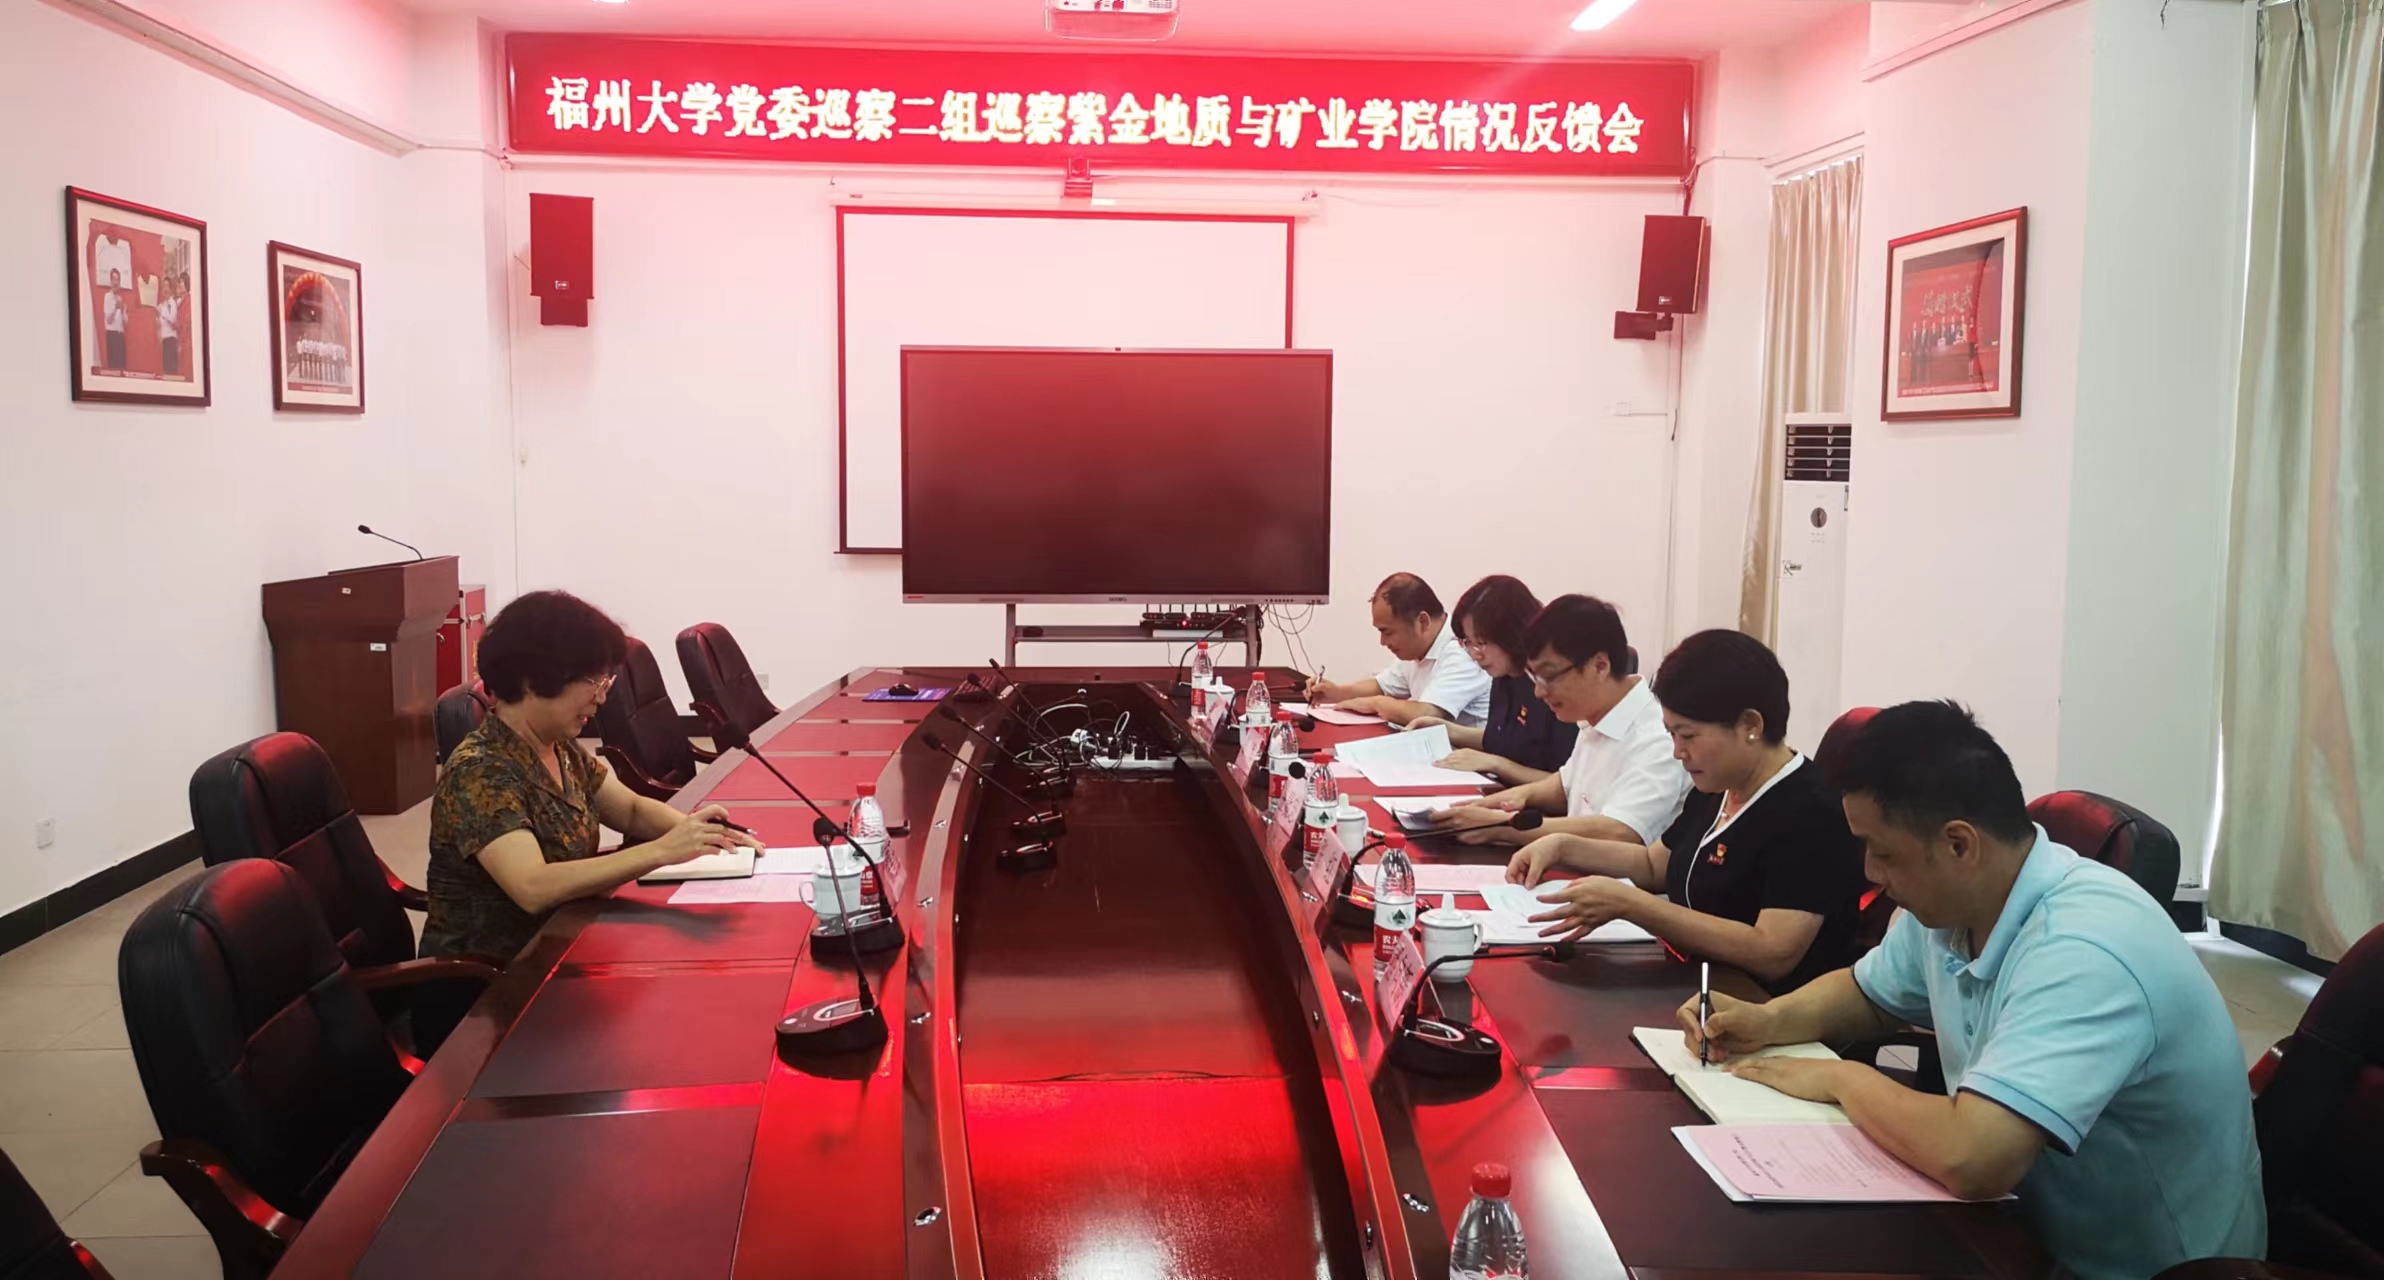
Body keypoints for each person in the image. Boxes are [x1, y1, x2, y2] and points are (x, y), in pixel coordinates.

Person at [1678, 702, 2264, 1280]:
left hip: (2137, 1269)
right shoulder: (1954, 902)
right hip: (2011, 1233)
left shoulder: (2084, 949)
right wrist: (1767, 1021)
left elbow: (1974, 1157)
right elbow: (1869, 994)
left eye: (1883, 852)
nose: (1871, 873)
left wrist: (1841, 1080)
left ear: (1959, 844)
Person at [1506, 629, 1866, 991]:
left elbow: (1771, 952)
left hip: (1759, 1006)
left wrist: (1632, 905)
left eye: (1688, 736)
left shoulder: (1810, 812)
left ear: (1750, 726)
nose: (1678, 752)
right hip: (1691, 980)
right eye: (1671, 735)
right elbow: (1653, 865)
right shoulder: (1720, 785)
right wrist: (1562, 846)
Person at [420, 590, 759, 967]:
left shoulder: (557, 746)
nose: (601, 698)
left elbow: (630, 809)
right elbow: (532, 886)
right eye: (593, 683)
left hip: (564, 939)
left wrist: (702, 834)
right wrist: (662, 851)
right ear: (533, 680)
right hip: (495, 977)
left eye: (605, 682)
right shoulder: (481, 769)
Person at [1429, 594, 1688, 848]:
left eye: (1549, 677)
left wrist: (1501, 826)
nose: (1539, 692)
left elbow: (1619, 831)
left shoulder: (1656, 739)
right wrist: (1501, 801)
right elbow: (1566, 785)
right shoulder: (1596, 716)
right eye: (1535, 677)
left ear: (1599, 666)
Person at [1407, 575, 1576, 785]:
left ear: (1512, 633)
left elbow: (1566, 785)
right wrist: (1445, 730)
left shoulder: (1554, 686)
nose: (1475, 654)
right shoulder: (1504, 675)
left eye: (1481, 642)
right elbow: (1502, 740)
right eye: (1468, 642)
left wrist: (1495, 764)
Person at [1305, 572, 1493, 727]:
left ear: (1422, 622)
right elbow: (1382, 687)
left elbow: (1428, 714)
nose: (1382, 641)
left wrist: (1375, 704)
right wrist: (1335, 692)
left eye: (1387, 632)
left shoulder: (1461, 651)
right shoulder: (1418, 647)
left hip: (1468, 758)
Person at [101, 287, 127, 370]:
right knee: (113, 365)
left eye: (118, 282)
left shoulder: (121, 299)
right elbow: (108, 320)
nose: (116, 285)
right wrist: (115, 309)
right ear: (111, 283)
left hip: (120, 335)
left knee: (121, 365)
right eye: (114, 281)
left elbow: (126, 324)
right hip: (112, 334)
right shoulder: (107, 297)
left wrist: (122, 310)